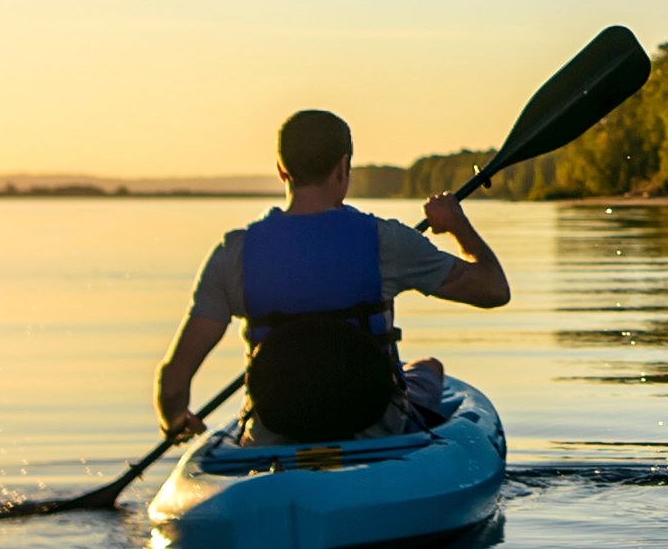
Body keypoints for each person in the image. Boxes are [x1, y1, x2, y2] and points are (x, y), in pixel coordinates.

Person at [158, 108, 509, 446]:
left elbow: (173, 384)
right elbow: (493, 289)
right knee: (428, 368)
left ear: (282, 170)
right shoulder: (386, 241)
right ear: (343, 167)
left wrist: (175, 420)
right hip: (376, 430)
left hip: (273, 434)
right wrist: (455, 225)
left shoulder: (233, 254)